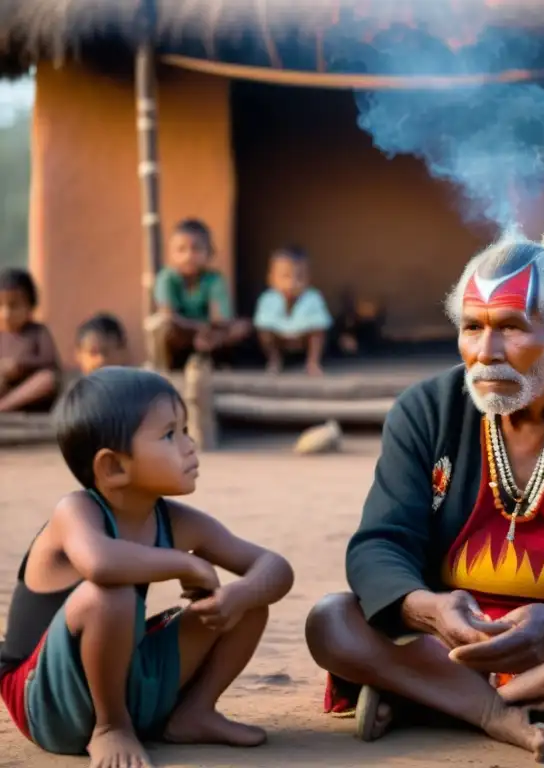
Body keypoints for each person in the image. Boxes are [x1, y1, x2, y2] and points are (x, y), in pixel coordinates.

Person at [304, 198, 544, 759]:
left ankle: (439, 699)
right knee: (330, 622)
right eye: (472, 328)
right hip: (448, 643)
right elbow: (379, 545)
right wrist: (426, 608)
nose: (485, 353)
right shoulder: (424, 410)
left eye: (511, 327)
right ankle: (539, 705)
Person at [0, 367, 294, 767]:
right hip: (44, 700)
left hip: (126, 676)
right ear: (114, 468)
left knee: (248, 604)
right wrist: (186, 566)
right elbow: (102, 564)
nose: (190, 445)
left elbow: (273, 566)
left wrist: (238, 594)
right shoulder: (76, 512)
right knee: (111, 594)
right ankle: (110, 727)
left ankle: (194, 713)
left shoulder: (174, 520)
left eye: (186, 429)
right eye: (170, 434)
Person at [152, 219, 251, 368]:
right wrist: (199, 329)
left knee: (243, 327)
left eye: (196, 249)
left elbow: (220, 320)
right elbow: (168, 315)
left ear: (210, 252)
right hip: (182, 334)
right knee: (163, 326)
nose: (189, 256)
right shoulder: (166, 278)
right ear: (171, 253)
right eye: (181, 249)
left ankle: (216, 364)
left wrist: (209, 332)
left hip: (208, 337)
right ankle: (166, 368)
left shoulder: (214, 279)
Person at [254, 247, 333, 375]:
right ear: (271, 278)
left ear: (309, 278)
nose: (292, 283)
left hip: (303, 338)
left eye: (300, 277)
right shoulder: (268, 298)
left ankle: (312, 362)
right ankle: (274, 360)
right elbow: (262, 322)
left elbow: (321, 323)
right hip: (280, 338)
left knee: (318, 333)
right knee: (264, 333)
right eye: (285, 276)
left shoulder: (313, 297)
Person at [0, 267, 60, 413]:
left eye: (14, 306)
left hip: (31, 393)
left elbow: (49, 362)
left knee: (47, 379)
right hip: (5, 387)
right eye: (0, 306)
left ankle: (4, 407)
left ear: (30, 307)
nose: (6, 313)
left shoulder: (38, 332)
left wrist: (20, 366)